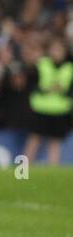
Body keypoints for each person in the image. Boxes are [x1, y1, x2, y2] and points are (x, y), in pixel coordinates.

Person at [24, 38, 71, 166]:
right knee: (34, 140)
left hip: (60, 110)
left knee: (54, 142)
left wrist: (63, 91)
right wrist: (45, 89)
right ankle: (23, 169)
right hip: (40, 109)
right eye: (54, 49)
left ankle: (53, 169)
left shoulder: (69, 68)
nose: (56, 52)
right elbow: (30, 84)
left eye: (59, 49)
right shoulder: (41, 64)